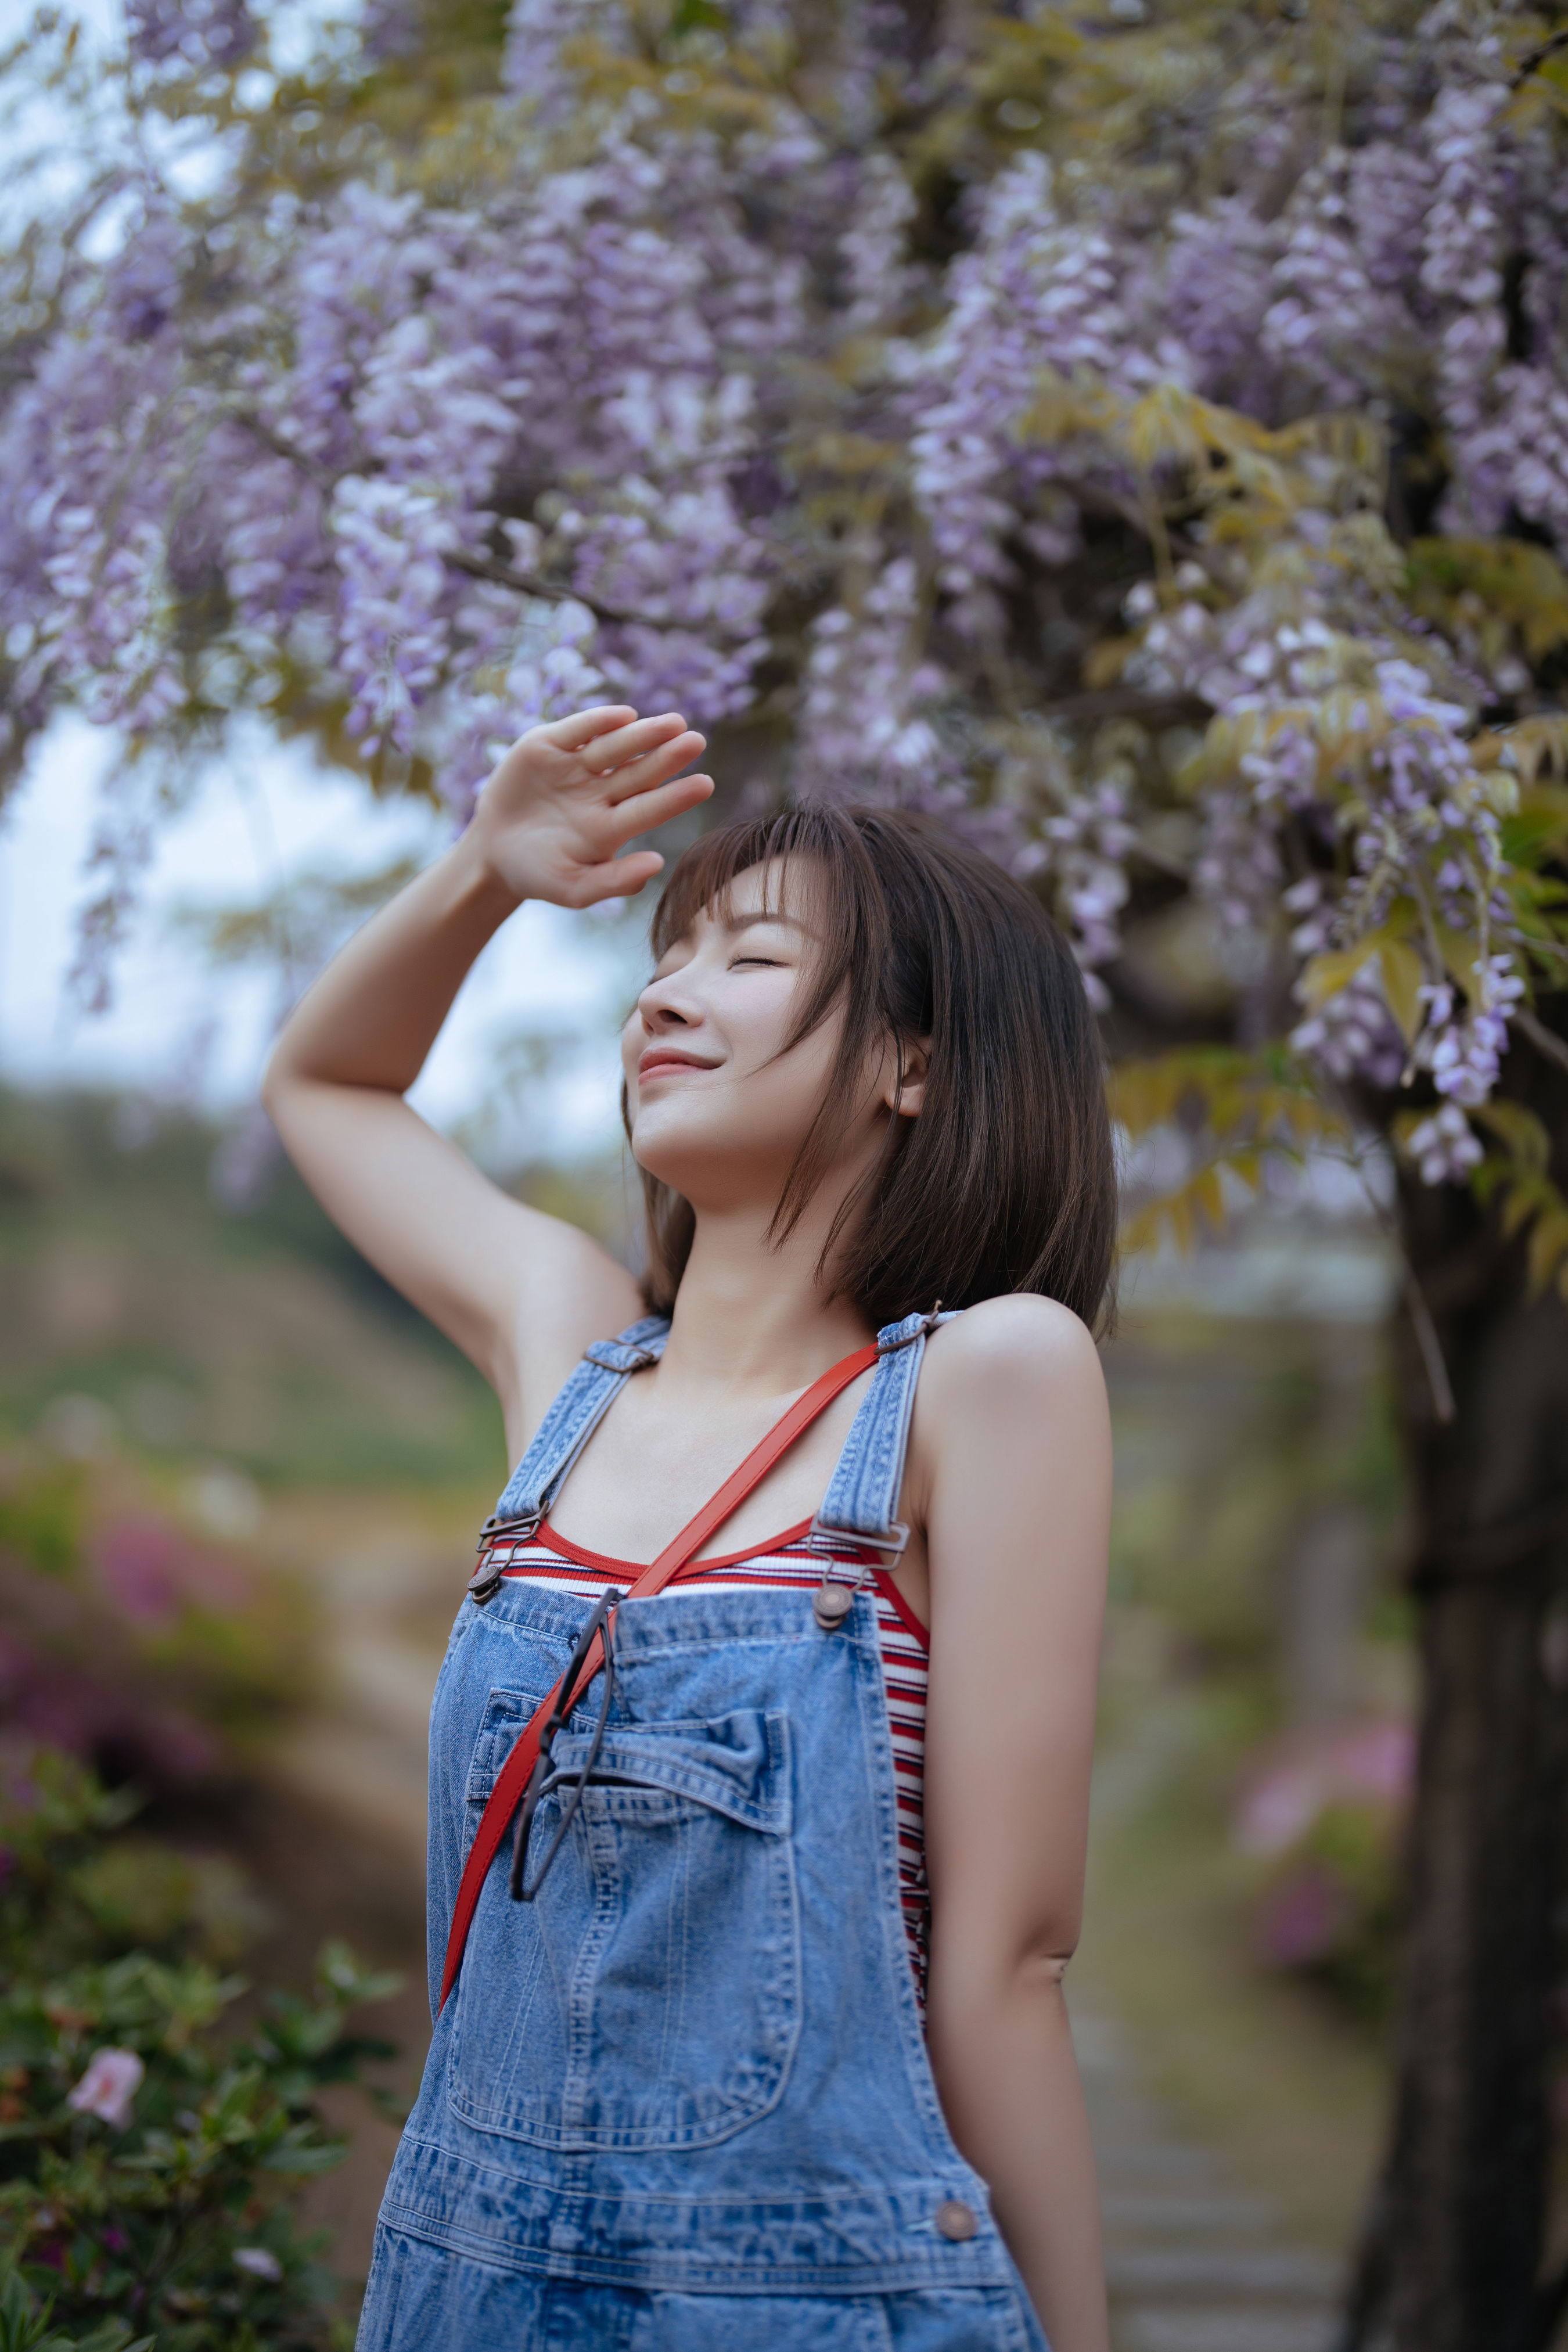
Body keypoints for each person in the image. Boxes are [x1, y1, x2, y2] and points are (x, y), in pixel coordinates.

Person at [263, 704, 1116, 2352]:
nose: (663, 995)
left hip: (806, 2300)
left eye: (750, 958)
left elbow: (1006, 1964)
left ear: (910, 1061)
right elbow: (326, 1081)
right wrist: (482, 873)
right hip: (466, 2287)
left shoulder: (982, 1384)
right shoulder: (565, 1354)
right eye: (666, 956)